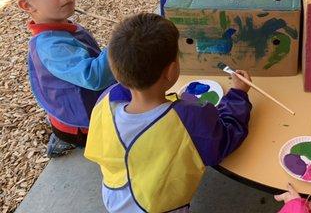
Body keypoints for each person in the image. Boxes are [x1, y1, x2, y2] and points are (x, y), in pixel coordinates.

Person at [85, 13, 252, 213]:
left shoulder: (105, 100)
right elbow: (225, 137)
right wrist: (238, 94)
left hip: (116, 198)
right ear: (172, 71)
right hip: (159, 207)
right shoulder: (188, 120)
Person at [12, 0, 116, 158]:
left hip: (72, 105)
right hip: (82, 125)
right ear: (27, 5)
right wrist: (120, 43)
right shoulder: (51, 47)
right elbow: (93, 77)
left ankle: (62, 133)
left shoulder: (60, 26)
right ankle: (64, 138)